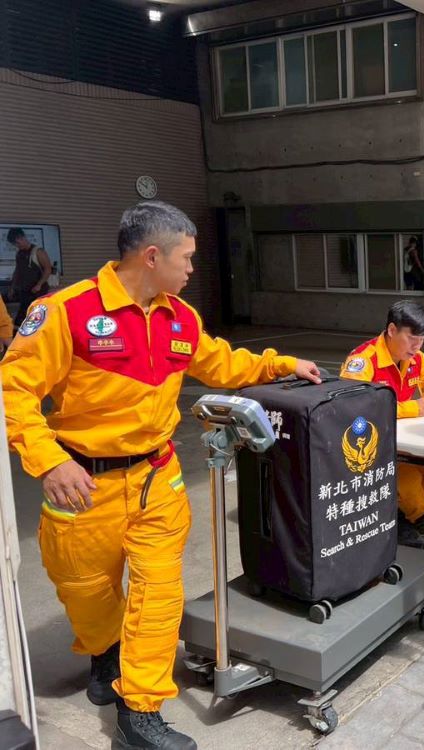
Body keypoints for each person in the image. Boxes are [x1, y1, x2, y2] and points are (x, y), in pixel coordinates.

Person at [0, 202, 321, 750]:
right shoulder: (68, 313)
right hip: (82, 486)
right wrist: (50, 460)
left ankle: (139, 711)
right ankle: (105, 652)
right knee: (86, 592)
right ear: (152, 256)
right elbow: (15, 390)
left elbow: (222, 364)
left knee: (159, 595)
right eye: (187, 258)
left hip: (156, 480)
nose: (193, 269)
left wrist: (280, 364)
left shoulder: (179, 317)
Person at [340, 301, 424, 556]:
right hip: (369, 453)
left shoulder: (415, 358)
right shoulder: (363, 362)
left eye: (422, 339)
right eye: (411, 337)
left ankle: (399, 516)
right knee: (407, 477)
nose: (417, 345)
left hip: (403, 444)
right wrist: (412, 407)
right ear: (391, 330)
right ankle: (422, 517)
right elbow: (353, 408)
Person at [7, 227, 53, 327]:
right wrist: (12, 287)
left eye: (17, 243)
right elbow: (17, 271)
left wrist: (39, 284)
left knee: (38, 320)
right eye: (15, 245)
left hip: (38, 293)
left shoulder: (38, 251)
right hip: (25, 293)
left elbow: (48, 269)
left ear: (22, 238)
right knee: (20, 320)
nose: (17, 246)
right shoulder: (19, 254)